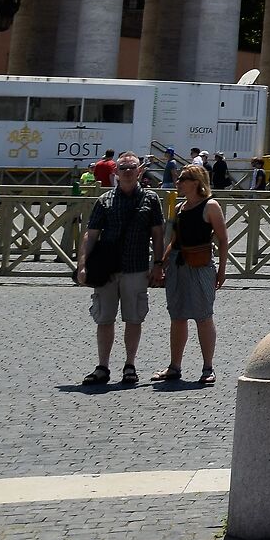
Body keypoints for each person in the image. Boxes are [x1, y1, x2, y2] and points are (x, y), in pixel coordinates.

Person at [76, 153, 166, 388]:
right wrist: (82, 265)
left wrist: (158, 264)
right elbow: (91, 234)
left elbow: (158, 234)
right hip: (107, 269)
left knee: (133, 318)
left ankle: (129, 365)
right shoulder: (104, 200)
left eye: (131, 167)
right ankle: (102, 366)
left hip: (136, 266)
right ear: (115, 172)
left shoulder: (151, 198)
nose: (127, 171)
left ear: (140, 171)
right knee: (104, 318)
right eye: (123, 167)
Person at [158, 160, 229, 384]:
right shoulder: (180, 207)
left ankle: (208, 367)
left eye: (183, 179)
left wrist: (223, 270)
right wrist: (161, 264)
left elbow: (223, 239)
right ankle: (174, 366)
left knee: (203, 316)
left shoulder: (211, 206)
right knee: (177, 316)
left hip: (200, 266)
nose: (178, 182)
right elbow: (174, 240)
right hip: (178, 265)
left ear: (196, 182)